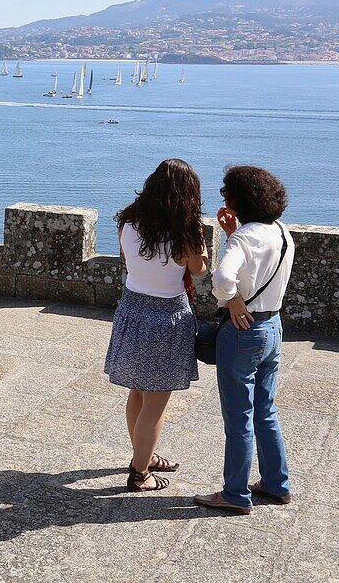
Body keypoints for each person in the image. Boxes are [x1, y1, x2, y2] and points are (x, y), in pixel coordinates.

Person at [105, 159, 209, 492]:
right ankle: (139, 474)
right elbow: (200, 269)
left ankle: (143, 455)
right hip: (167, 318)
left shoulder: (128, 223)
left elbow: (132, 263)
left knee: (138, 391)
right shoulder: (185, 233)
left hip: (132, 311)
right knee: (156, 400)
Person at [195, 166, 294, 514]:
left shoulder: (244, 239)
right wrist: (235, 231)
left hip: (243, 330)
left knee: (239, 416)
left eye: (226, 194)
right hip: (273, 328)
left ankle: (235, 494)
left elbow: (223, 277)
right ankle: (276, 483)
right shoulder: (281, 231)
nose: (224, 199)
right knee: (265, 411)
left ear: (238, 199)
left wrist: (233, 300)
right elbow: (259, 265)